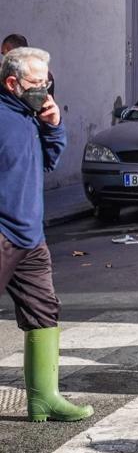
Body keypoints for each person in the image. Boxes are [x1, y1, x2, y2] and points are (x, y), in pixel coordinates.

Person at [0, 47, 93, 423]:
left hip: (30, 236)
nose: (45, 90)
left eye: (47, 82)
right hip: (3, 232)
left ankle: (44, 399)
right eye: (36, 84)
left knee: (43, 312)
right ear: (12, 83)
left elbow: (47, 162)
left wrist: (54, 125)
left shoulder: (31, 115)